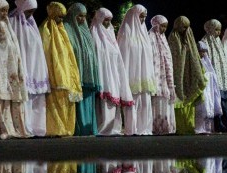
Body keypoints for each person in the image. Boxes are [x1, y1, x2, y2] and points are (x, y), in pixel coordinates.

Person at [0, 0, 29, 140]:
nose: (4, 13)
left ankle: (13, 126)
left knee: (11, 96)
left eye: (6, 10)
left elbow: (13, 45)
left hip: (11, 68)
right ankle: (0, 126)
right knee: (1, 96)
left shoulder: (7, 25)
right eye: (2, 10)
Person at [40, 2, 82, 136]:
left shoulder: (62, 30)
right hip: (53, 75)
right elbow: (46, 54)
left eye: (62, 17)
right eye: (59, 17)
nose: (61, 20)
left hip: (66, 75)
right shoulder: (45, 30)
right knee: (55, 102)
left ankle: (67, 128)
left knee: (66, 101)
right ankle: (55, 129)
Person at [91, 8, 135, 136]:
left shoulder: (110, 35)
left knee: (113, 101)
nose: (107, 23)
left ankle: (114, 128)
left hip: (113, 74)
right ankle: (103, 128)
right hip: (102, 74)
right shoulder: (94, 34)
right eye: (105, 20)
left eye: (109, 21)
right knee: (103, 103)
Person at [9, 0, 50, 137]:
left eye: (33, 11)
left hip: (35, 66)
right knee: (25, 98)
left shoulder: (32, 24)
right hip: (23, 66)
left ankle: (37, 128)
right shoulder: (12, 21)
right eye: (28, 11)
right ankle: (24, 126)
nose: (31, 14)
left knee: (37, 98)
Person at [117, 4, 157, 135]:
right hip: (132, 75)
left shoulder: (144, 33)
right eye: (141, 17)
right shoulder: (125, 32)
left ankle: (144, 129)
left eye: (144, 17)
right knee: (132, 103)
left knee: (145, 103)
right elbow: (123, 56)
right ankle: (131, 129)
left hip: (144, 75)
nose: (143, 20)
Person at [64, 3, 101, 136]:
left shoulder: (85, 31)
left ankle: (89, 128)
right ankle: (79, 129)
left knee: (88, 103)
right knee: (78, 104)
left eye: (84, 16)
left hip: (88, 77)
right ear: (73, 15)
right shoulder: (67, 29)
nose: (82, 19)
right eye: (79, 16)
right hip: (76, 76)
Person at [168, 16, 206, 134]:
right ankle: (180, 127)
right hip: (177, 74)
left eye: (186, 27)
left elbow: (194, 53)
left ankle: (189, 126)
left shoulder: (189, 35)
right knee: (179, 99)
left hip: (189, 73)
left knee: (190, 98)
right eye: (183, 26)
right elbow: (174, 56)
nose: (184, 29)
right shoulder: (173, 37)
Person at [202, 19, 227, 133]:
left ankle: (226, 126)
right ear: (210, 29)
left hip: (223, 78)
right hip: (213, 78)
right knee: (216, 102)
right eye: (216, 30)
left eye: (219, 30)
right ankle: (218, 125)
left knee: (224, 103)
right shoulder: (205, 42)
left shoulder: (218, 41)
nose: (218, 32)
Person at [149, 15, 177, 135]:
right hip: (156, 76)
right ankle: (156, 127)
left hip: (165, 78)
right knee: (157, 101)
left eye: (166, 27)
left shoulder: (163, 38)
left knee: (165, 101)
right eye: (162, 26)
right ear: (156, 24)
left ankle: (166, 126)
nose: (164, 29)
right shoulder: (150, 37)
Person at [195, 41, 222, 134]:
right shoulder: (196, 61)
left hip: (209, 89)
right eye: (200, 51)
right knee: (201, 108)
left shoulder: (207, 61)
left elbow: (212, 73)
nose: (202, 53)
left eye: (204, 51)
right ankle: (199, 127)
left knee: (209, 107)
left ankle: (208, 128)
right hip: (201, 89)